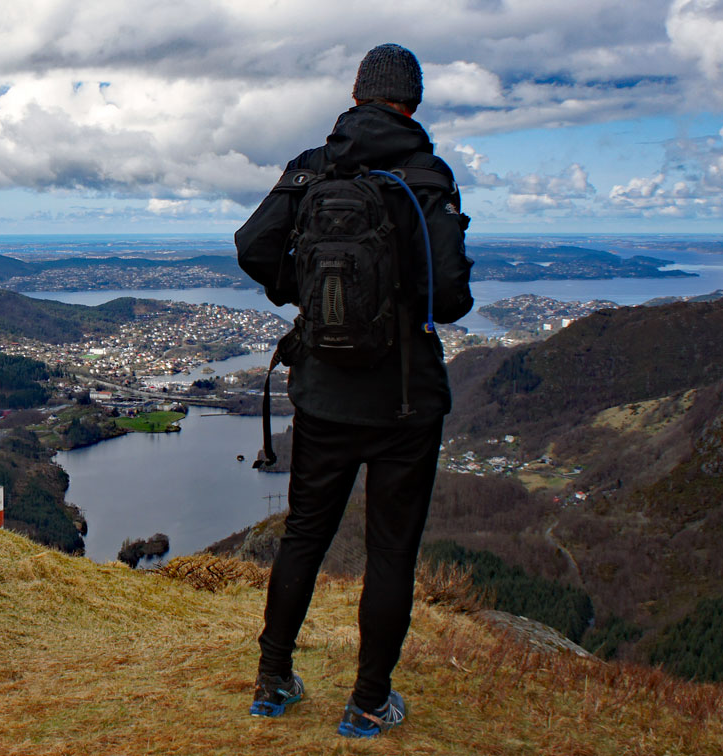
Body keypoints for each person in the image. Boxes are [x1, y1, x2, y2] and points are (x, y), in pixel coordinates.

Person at [233, 43, 474, 738]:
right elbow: (451, 298)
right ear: (413, 103)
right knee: (390, 552)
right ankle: (368, 702)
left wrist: (308, 294)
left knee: (304, 536)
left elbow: (252, 246)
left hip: (324, 394)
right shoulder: (426, 177)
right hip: (405, 400)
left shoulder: (314, 166)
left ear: (356, 95)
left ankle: (273, 681)